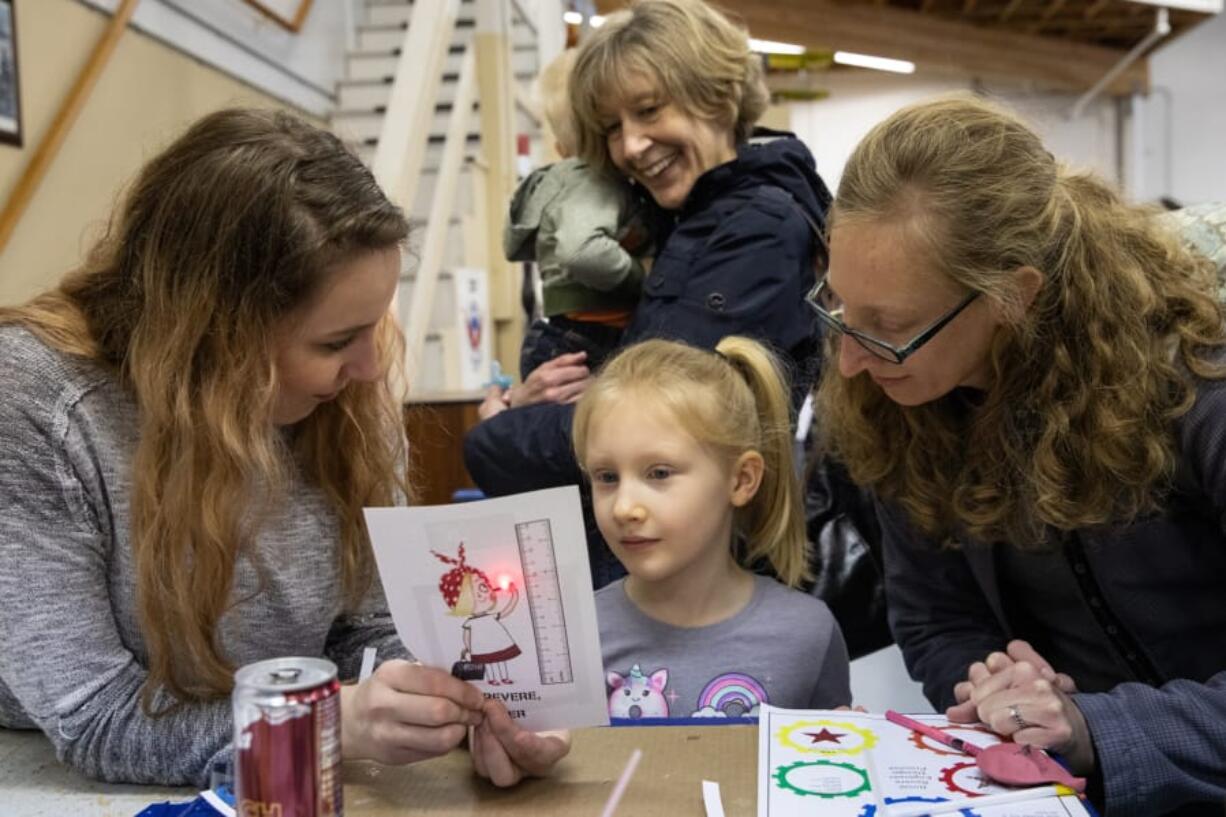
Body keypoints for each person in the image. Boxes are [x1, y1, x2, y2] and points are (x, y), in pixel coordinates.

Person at [0, 108, 567, 787]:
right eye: (333, 342)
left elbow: (363, 631)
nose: (369, 368)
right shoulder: (38, 403)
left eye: (373, 327)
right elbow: (97, 719)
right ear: (214, 333)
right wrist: (325, 720)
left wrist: (471, 702)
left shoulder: (341, 400)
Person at [812, 95, 1226, 815]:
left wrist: (1096, 726)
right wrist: (995, 688)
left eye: (889, 326)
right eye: (841, 308)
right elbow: (934, 617)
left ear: (1013, 295)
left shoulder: (1198, 385)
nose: (848, 361)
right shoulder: (898, 398)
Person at [466, 0, 830, 587]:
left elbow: (665, 426)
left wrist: (499, 435)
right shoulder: (686, 221)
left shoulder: (752, 229)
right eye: (613, 128)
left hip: (703, 582)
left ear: (716, 95)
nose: (632, 146)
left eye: (649, 110)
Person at [573, 337, 850, 719]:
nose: (623, 508)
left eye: (659, 473)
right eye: (606, 476)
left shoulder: (808, 634)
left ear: (740, 481)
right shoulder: (575, 640)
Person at [503, 47, 656, 382]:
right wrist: (641, 278)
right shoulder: (594, 180)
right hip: (589, 339)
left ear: (559, 146)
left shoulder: (559, 183)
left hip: (563, 334)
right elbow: (580, 251)